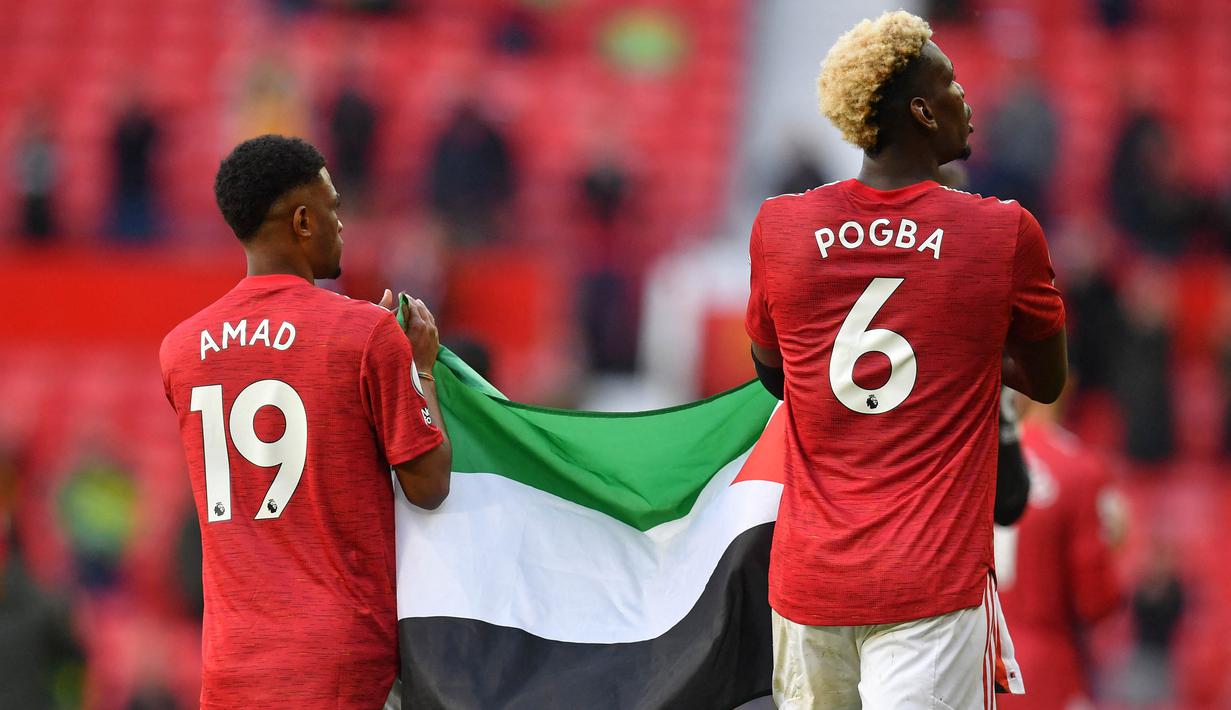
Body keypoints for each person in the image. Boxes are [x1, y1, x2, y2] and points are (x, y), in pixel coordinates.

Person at [744, 11, 1067, 709]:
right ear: (921, 110)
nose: (966, 100)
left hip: (808, 585)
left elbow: (774, 373)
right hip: (931, 586)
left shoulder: (780, 228)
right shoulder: (1001, 233)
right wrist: (965, 358)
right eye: (950, 85)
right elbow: (1046, 379)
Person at [160, 135, 451, 708]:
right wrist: (421, 369)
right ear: (302, 221)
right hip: (340, 664)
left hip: (232, 668)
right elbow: (430, 485)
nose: (342, 223)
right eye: (333, 209)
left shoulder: (181, 350)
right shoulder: (365, 334)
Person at [995, 385, 1126, 710]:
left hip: (975, 657)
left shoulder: (975, 460)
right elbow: (1095, 601)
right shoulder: (1080, 467)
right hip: (1046, 666)